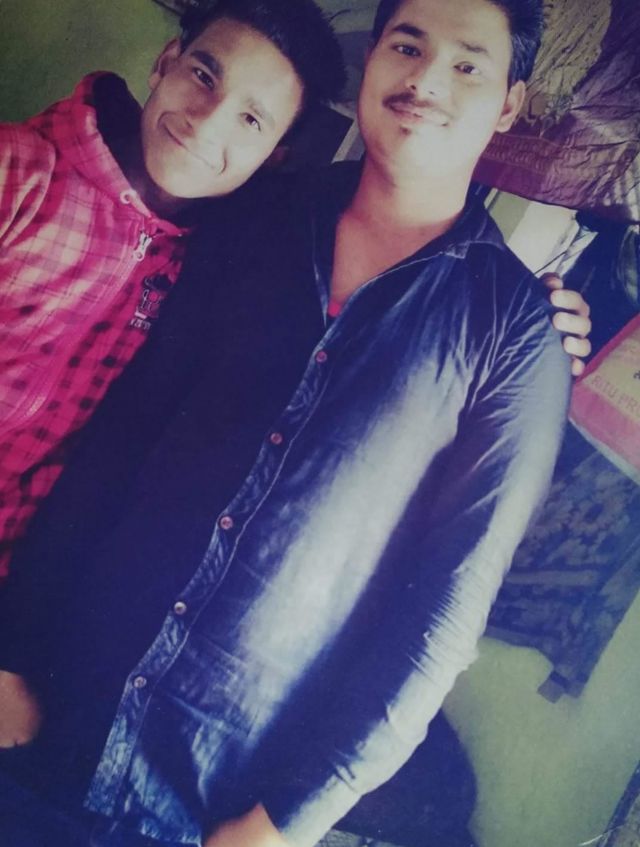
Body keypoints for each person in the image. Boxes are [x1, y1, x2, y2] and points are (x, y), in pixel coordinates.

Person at [0, 0, 587, 845]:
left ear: (509, 104)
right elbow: (123, 429)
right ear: (373, 60)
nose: (426, 79)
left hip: (210, 801)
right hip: (52, 706)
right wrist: (17, 646)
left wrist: (290, 819)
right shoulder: (256, 215)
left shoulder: (515, 336)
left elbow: (442, 613)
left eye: (468, 64)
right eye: (407, 45)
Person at [0, 0, 346, 577]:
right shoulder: (17, 174)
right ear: (165, 64)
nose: (206, 122)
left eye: (251, 120)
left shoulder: (211, 276)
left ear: (273, 156)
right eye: (204, 77)